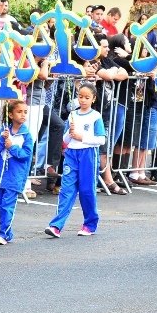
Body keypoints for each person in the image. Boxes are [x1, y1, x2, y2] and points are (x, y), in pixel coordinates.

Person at [45, 83, 106, 238]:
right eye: (80, 96)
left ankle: (90, 224)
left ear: (93, 99)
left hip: (88, 155)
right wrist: (70, 132)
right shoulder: (73, 115)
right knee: (66, 189)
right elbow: (65, 139)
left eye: (87, 97)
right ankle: (56, 225)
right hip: (72, 154)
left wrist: (82, 137)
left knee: (86, 190)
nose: (83, 100)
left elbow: (101, 140)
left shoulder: (95, 116)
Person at [0, 100, 34, 245]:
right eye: (19, 112)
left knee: (7, 205)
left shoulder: (27, 135)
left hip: (15, 176)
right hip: (0, 176)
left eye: (25, 112)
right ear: (10, 114)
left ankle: (3, 233)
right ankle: (8, 232)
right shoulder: (4, 132)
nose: (23, 115)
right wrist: (2, 141)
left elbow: (26, 155)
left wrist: (12, 147)